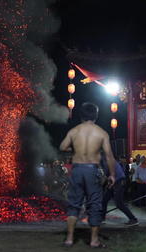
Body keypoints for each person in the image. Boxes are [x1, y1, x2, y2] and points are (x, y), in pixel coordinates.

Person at [60, 102, 115, 249]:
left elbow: (62, 147)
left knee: (74, 204)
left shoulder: (74, 131)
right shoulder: (102, 133)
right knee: (94, 204)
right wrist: (112, 175)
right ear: (95, 116)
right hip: (92, 170)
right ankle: (94, 241)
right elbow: (108, 155)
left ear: (81, 115)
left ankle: (70, 239)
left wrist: (76, 148)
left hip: (77, 170)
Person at [100, 154, 138, 226]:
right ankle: (102, 218)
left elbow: (107, 176)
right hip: (115, 182)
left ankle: (133, 219)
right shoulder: (104, 160)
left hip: (119, 181)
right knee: (104, 199)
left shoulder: (105, 159)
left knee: (119, 203)